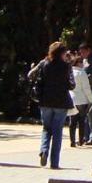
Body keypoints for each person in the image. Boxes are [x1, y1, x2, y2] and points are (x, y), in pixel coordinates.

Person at [28, 41, 74, 169]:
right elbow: (72, 84)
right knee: (57, 131)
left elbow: (30, 75)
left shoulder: (44, 63)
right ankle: (54, 162)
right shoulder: (67, 66)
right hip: (61, 102)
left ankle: (44, 150)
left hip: (45, 101)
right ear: (63, 53)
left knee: (46, 128)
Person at [69, 51, 92, 147]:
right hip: (82, 100)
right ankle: (80, 140)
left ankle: (72, 141)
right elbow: (86, 89)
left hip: (72, 99)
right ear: (79, 63)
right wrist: (91, 100)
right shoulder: (82, 73)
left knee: (72, 122)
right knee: (82, 121)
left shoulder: (70, 72)